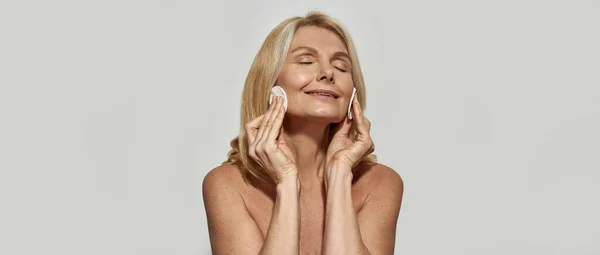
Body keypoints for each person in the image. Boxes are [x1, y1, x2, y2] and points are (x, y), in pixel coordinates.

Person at [202, 11, 404, 255]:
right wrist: (286, 182)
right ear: (270, 83)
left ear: (353, 95)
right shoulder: (227, 185)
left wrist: (340, 174)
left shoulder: (380, 184)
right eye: (306, 61)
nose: (328, 73)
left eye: (341, 66)